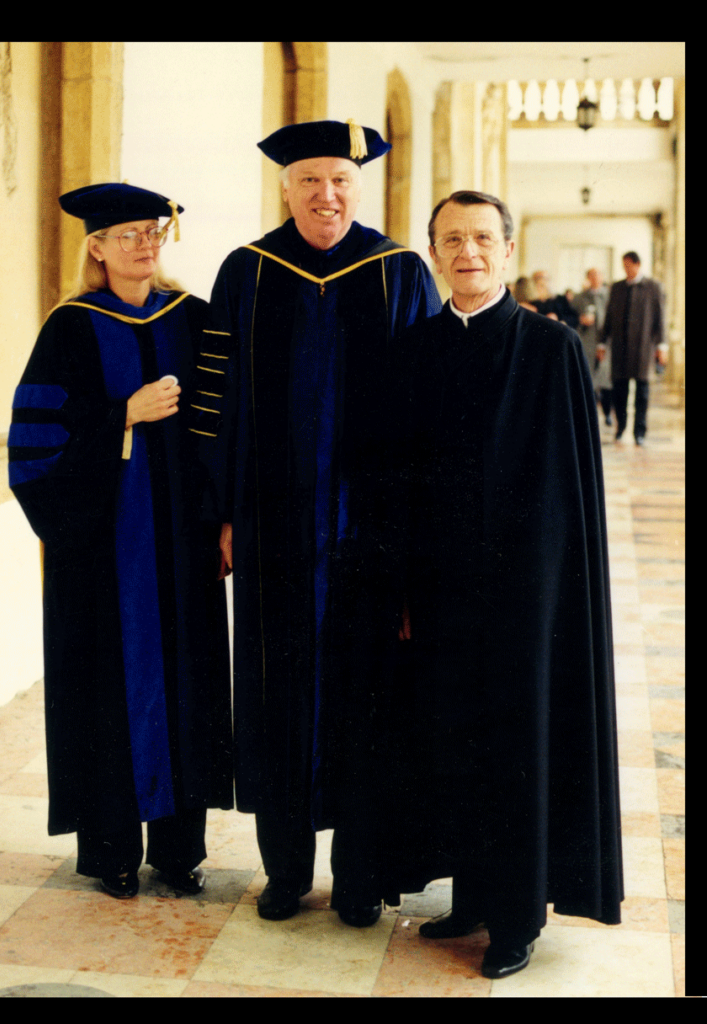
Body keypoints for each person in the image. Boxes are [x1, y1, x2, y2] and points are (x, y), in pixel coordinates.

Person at [209, 119, 442, 927]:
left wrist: (417, 527)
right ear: (285, 187)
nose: (327, 194)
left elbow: (425, 407)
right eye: (310, 180)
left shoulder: (397, 271)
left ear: (359, 186)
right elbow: (221, 403)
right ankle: (283, 872)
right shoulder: (247, 272)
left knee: (364, 695)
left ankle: (356, 876)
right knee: (275, 692)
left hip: (369, 530)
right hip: (272, 530)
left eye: (340, 179)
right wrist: (224, 514)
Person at [386, 190, 623, 979]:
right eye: (451, 239)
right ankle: (472, 896)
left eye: (482, 238)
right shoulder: (415, 349)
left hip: (525, 602)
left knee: (517, 749)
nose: (468, 253)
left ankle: (517, 917)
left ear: (507, 251)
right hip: (443, 596)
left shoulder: (550, 349)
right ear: (433, 253)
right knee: (452, 742)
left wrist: (540, 597)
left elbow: (566, 494)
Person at [8, 182, 233, 900]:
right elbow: (34, 447)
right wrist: (123, 418)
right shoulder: (69, 329)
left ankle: (178, 852)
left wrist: (226, 517)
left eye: (151, 230)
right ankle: (108, 851)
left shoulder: (192, 318)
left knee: (187, 684)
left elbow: (230, 427)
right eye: (127, 234)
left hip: (185, 548)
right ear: (96, 247)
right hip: (103, 556)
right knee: (104, 688)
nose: (144, 243)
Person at [598, 252, 667, 446]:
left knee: (642, 393)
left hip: (643, 347)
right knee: (620, 390)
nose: (626, 270)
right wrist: (603, 343)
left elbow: (660, 318)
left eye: (629, 266)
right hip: (620, 347)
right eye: (624, 266)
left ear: (638, 265)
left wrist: (662, 345)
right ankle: (621, 429)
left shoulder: (653, 287)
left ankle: (640, 432)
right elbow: (609, 317)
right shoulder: (617, 288)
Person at [572, 268, 612, 426]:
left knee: (606, 380)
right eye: (592, 276)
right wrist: (580, 320)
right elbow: (570, 316)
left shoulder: (610, 296)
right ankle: (591, 414)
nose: (595, 278)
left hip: (606, 343)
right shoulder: (580, 297)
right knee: (589, 379)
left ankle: (608, 412)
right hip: (587, 341)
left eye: (598, 275)